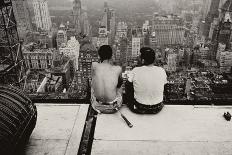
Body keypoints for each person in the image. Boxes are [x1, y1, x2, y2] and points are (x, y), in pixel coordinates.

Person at [125, 47, 167, 114]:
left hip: (140, 107)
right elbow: (164, 87)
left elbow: (127, 87)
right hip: (157, 108)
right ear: (154, 59)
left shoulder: (135, 70)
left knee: (129, 83)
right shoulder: (161, 70)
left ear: (143, 60)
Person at [91, 45, 123, 114]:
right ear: (111, 56)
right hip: (113, 107)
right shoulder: (118, 69)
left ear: (99, 55)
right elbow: (119, 86)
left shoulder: (94, 65)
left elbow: (93, 83)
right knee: (119, 86)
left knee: (93, 84)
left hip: (97, 106)